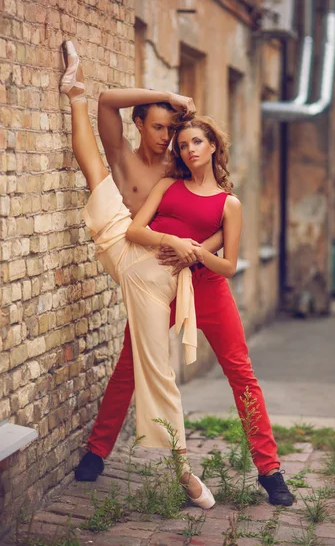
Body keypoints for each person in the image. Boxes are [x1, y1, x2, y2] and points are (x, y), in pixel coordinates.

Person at [61, 40, 294, 507]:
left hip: (207, 286)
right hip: (160, 282)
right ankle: (96, 452)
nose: (180, 145)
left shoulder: (212, 188)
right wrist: (176, 248)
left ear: (208, 147)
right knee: (130, 367)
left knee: (241, 373)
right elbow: (142, 225)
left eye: (188, 139)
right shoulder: (168, 177)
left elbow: (224, 236)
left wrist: (196, 253)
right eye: (173, 136)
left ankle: (270, 471)